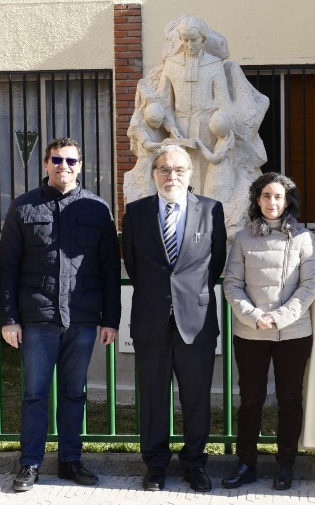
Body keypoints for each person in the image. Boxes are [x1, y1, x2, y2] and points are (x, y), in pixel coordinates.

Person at [0, 138, 121, 492]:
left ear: (80, 165)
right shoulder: (23, 208)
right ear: (46, 164)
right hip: (37, 319)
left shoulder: (97, 209)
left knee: (73, 393)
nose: (63, 166)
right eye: (56, 159)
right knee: (35, 394)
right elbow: (6, 267)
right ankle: (30, 463)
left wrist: (110, 319)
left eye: (70, 160)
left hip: (82, 320)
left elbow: (110, 270)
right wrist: (9, 318)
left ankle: (70, 460)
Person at [122, 145, 226, 492]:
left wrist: (187, 295)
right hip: (151, 320)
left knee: (196, 397)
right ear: (154, 174)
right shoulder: (135, 213)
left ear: (190, 174)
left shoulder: (211, 210)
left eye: (179, 170)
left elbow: (216, 264)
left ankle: (195, 464)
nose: (172, 176)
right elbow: (134, 266)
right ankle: (155, 465)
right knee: (152, 398)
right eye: (165, 169)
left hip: (195, 321)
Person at [222, 172, 315, 491]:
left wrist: (280, 317)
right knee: (251, 399)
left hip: (294, 333)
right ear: (257, 200)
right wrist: (254, 316)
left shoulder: (304, 238)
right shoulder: (243, 239)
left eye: (278, 196)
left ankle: (285, 465)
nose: (271, 202)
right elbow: (232, 284)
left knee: (290, 399)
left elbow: (309, 285)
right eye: (265, 196)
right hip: (251, 334)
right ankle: (246, 463)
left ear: (287, 201)